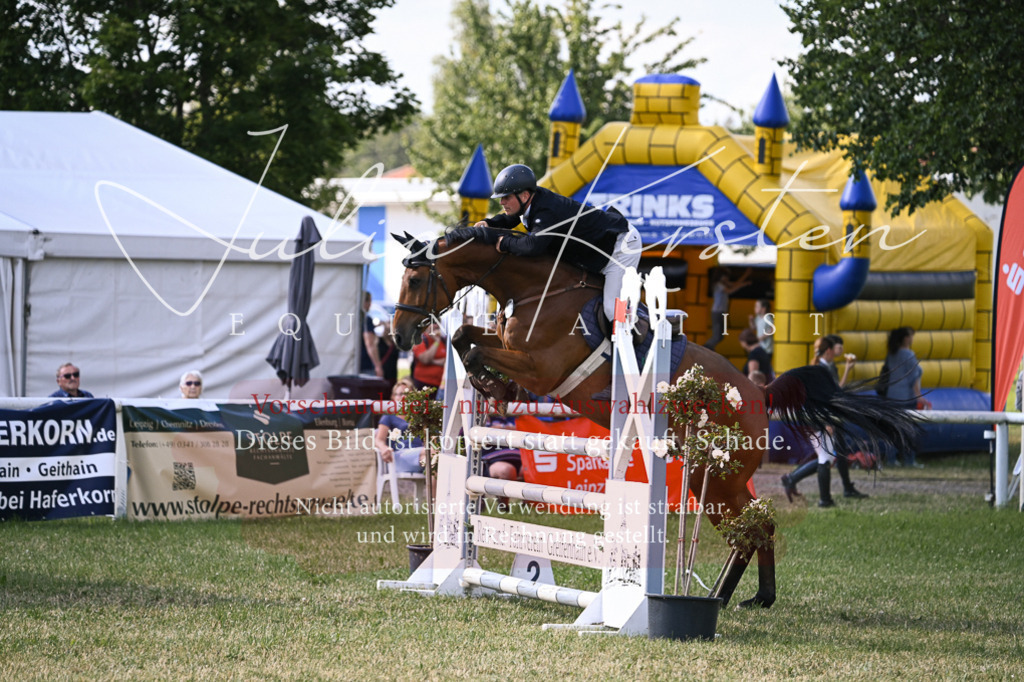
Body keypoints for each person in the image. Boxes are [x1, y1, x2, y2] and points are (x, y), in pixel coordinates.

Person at [473, 164, 643, 334]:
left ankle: (635, 351)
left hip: (621, 247)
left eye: (506, 197)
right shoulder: (532, 200)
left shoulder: (546, 212)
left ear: (524, 195)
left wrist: (504, 243)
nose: (502, 202)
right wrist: (490, 223)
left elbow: (533, 246)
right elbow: (511, 217)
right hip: (598, 249)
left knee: (612, 310)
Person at [780, 335, 868, 506]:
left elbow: (833, 393)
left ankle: (797, 482)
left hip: (824, 416)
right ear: (828, 351)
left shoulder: (827, 367)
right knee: (825, 458)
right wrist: (826, 421)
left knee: (826, 457)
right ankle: (823, 498)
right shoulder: (821, 370)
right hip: (821, 418)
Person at [884, 326, 930, 467]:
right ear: (905, 338)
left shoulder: (891, 355)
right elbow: (913, 377)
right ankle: (909, 460)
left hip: (891, 396)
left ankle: (891, 459)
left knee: (893, 430)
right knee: (910, 430)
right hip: (906, 398)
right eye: (910, 336)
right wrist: (919, 396)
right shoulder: (908, 355)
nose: (912, 339)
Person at [374, 378, 425, 474]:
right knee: (434, 455)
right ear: (393, 397)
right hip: (400, 457)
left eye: (407, 394)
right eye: (400, 394)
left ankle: (433, 489)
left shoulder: (418, 416)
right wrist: (384, 448)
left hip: (419, 457)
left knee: (435, 461)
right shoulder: (389, 416)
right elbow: (378, 439)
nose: (403, 397)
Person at [703, 267, 751, 350]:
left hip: (721, 312)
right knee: (717, 335)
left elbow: (735, 284)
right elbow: (730, 290)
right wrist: (742, 284)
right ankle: (705, 348)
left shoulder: (723, 284)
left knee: (720, 336)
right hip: (717, 312)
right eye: (725, 276)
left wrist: (745, 276)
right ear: (720, 276)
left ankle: (710, 348)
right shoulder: (718, 284)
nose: (727, 279)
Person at [411, 321, 446, 389]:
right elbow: (425, 359)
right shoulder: (420, 340)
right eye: (433, 323)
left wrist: (432, 361)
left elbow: (447, 361)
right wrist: (436, 342)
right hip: (423, 382)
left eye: (437, 323)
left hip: (439, 384)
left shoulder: (444, 340)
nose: (436, 325)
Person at [359, 292, 384, 378]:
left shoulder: (355, 318)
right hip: (366, 365)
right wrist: (378, 366)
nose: (370, 304)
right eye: (369, 301)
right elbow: (370, 344)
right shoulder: (367, 319)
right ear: (365, 302)